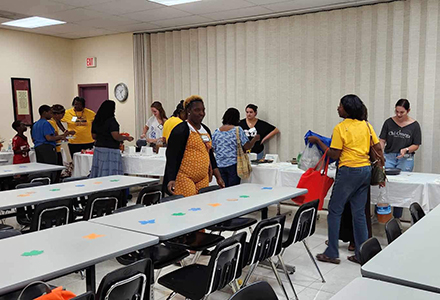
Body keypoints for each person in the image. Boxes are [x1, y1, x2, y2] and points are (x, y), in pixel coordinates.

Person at [308, 94, 385, 264]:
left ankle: (332, 252)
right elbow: (377, 148)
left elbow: (334, 154)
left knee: (335, 210)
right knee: (359, 214)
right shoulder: (366, 125)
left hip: (348, 171)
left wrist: (320, 143)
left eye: (340, 105)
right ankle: (361, 253)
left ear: (348, 109)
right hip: (364, 171)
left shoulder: (341, 128)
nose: (338, 108)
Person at [163, 95, 225, 197]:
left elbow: (210, 155)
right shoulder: (181, 130)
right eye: (197, 110)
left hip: (203, 177)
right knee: (188, 206)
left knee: (202, 205)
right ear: (188, 111)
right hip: (184, 177)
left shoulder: (206, 130)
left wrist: (218, 177)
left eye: (203, 110)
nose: (201, 113)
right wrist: (171, 179)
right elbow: (172, 156)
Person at [379, 99, 422, 219]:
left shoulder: (414, 125)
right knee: (384, 184)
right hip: (389, 156)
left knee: (401, 188)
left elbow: (416, 145)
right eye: (397, 111)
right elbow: (382, 140)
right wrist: (380, 153)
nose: (398, 115)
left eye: (402, 112)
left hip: (406, 158)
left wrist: (406, 149)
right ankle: (382, 215)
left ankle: (397, 218)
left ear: (408, 111)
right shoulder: (389, 122)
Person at [212, 108, 260, 187]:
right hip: (233, 165)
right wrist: (255, 139)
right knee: (233, 189)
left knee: (223, 189)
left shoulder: (217, 132)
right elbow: (247, 146)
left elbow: (213, 148)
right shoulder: (237, 130)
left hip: (219, 165)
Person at [90, 100, 133, 178]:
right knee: (110, 171)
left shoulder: (96, 121)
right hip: (110, 149)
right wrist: (126, 138)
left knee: (100, 170)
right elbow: (116, 136)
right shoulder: (111, 121)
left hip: (98, 148)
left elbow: (94, 136)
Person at [32, 105, 70, 182]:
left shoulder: (35, 124)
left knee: (43, 168)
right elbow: (49, 138)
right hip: (47, 148)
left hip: (38, 148)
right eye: (50, 113)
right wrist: (61, 137)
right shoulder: (46, 123)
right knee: (52, 169)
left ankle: (44, 183)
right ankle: (52, 184)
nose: (51, 115)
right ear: (44, 113)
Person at [49, 104, 75, 179]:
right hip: (54, 149)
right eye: (62, 115)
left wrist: (66, 133)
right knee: (57, 170)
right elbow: (55, 136)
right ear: (56, 114)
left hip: (57, 148)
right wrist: (64, 135)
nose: (63, 116)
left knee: (59, 168)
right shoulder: (51, 122)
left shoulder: (56, 121)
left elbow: (60, 126)